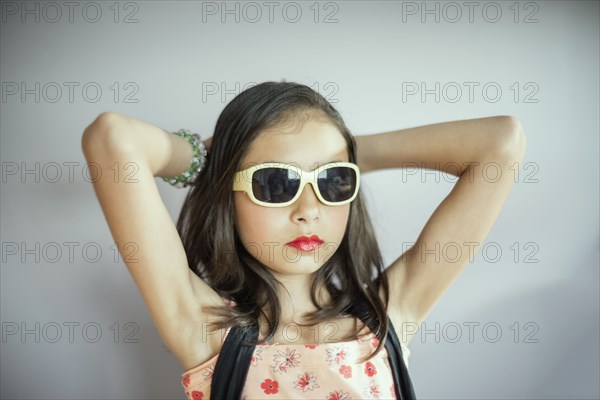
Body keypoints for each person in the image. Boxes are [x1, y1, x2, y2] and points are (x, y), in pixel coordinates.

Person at [81, 81, 526, 399]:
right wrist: (213, 160)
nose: (308, 210)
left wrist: (344, 150)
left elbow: (499, 142)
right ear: (228, 195)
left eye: (333, 180)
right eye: (276, 182)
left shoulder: (389, 316)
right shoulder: (206, 330)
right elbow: (113, 138)